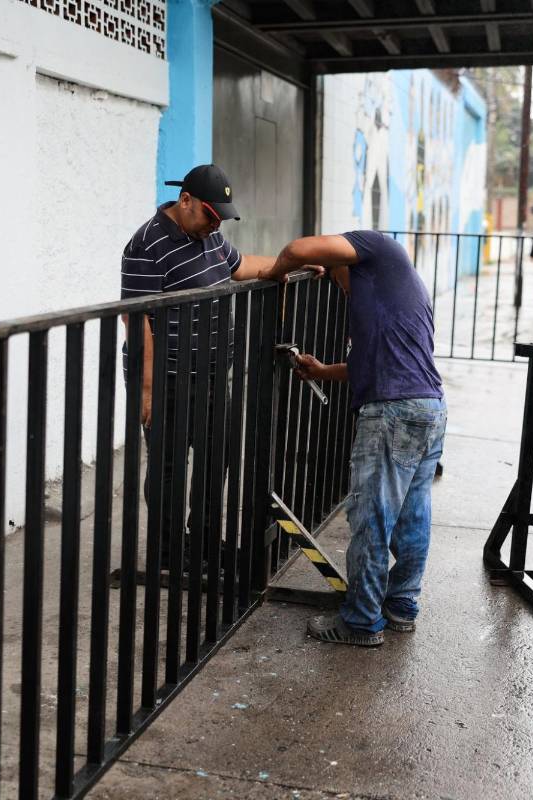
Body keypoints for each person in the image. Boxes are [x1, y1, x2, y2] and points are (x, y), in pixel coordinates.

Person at [262, 231, 447, 647]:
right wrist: (323, 370)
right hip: (428, 407)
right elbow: (372, 361)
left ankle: (362, 621)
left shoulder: (378, 249)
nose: (336, 286)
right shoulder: (397, 293)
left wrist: (278, 275)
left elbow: (294, 249)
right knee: (412, 516)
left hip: (393, 412)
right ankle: (401, 607)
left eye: (331, 277)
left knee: (371, 518)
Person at [120, 164, 282, 564]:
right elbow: (137, 318)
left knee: (216, 456)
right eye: (210, 215)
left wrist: (289, 264)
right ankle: (168, 550)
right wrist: (146, 391)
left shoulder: (210, 238)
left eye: (220, 218)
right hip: (168, 378)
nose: (215, 225)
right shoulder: (147, 243)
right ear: (185, 200)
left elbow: (242, 267)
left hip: (211, 373)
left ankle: (204, 540)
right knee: (169, 467)